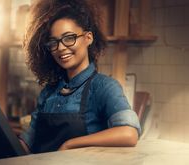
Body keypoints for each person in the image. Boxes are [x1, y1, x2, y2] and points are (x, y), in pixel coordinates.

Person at [19, 0, 141, 154]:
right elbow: (27, 142)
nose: (61, 48)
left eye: (69, 38)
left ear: (88, 38)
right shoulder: (49, 92)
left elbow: (129, 134)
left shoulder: (104, 87)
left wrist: (70, 144)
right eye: (53, 42)